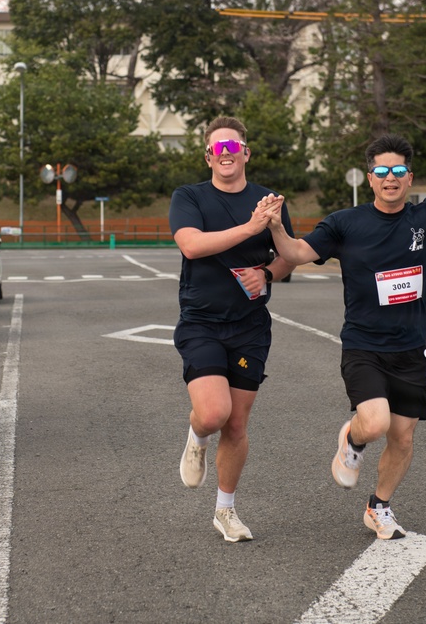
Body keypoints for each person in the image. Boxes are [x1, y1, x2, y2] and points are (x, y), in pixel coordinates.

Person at [256, 107, 426, 540]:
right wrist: (274, 229)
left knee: (402, 437)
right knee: (376, 422)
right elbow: (297, 253)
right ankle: (353, 438)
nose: (391, 177)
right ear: (370, 178)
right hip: (363, 345)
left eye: (399, 170)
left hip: (411, 347)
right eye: (382, 170)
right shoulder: (346, 223)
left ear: (409, 176)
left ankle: (379, 506)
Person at [169, 115, 296, 542]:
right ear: (208, 156)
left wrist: (269, 274)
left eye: (233, 147)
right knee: (212, 414)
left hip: (250, 327)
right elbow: (191, 243)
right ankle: (196, 434)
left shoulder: (269, 201)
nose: (226, 154)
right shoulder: (189, 196)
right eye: (217, 148)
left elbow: (289, 253)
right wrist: (249, 227)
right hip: (202, 322)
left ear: (246, 152)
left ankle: (225, 510)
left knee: (237, 425)